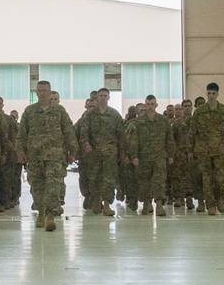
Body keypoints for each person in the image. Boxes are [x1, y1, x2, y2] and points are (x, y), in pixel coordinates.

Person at [17, 80, 76, 231]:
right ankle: (41, 212)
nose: (42, 93)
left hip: (55, 155)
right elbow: (22, 133)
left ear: (50, 93)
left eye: (45, 91)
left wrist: (72, 151)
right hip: (35, 155)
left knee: (53, 185)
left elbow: (68, 131)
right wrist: (20, 151)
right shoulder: (29, 111)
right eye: (39, 90)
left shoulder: (59, 111)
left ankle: (50, 214)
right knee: (37, 186)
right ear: (36, 92)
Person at [189, 82, 224, 216]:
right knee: (207, 178)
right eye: (209, 93)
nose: (211, 96)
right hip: (203, 150)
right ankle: (211, 205)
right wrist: (190, 149)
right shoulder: (199, 111)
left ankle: (220, 198)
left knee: (222, 177)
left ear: (218, 94)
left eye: (213, 94)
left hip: (219, 149)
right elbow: (193, 131)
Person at [78, 87, 125, 217]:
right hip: (94, 152)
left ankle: (107, 204)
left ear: (108, 98)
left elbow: (121, 135)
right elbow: (84, 132)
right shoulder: (90, 114)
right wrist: (86, 144)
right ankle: (96, 200)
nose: (103, 98)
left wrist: (122, 152)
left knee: (109, 179)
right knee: (94, 178)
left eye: (105, 96)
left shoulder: (114, 114)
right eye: (101, 96)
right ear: (97, 98)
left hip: (110, 152)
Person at [127, 94, 175, 216]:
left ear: (156, 105)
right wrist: (134, 156)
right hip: (143, 157)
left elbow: (169, 138)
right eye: (148, 104)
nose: (150, 107)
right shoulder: (138, 122)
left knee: (159, 181)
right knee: (144, 182)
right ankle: (146, 204)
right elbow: (134, 140)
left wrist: (171, 155)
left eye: (152, 104)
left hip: (159, 156)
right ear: (145, 105)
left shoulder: (163, 121)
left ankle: (159, 205)